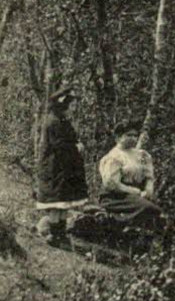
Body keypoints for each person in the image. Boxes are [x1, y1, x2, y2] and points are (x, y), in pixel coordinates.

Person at [34, 89, 89, 243]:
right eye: (71, 105)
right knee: (56, 203)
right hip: (55, 167)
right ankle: (54, 233)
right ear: (62, 106)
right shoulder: (53, 122)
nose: (73, 108)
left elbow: (70, 139)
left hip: (65, 167)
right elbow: (58, 144)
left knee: (65, 201)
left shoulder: (63, 121)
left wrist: (77, 144)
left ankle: (61, 233)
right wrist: (75, 147)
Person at [98, 127, 162, 231]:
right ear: (118, 138)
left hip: (136, 195)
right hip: (115, 196)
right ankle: (118, 224)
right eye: (129, 135)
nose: (133, 138)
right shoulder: (114, 156)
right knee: (149, 208)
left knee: (160, 211)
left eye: (135, 136)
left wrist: (148, 190)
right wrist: (136, 192)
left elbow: (149, 176)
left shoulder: (142, 155)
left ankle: (137, 233)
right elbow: (112, 184)